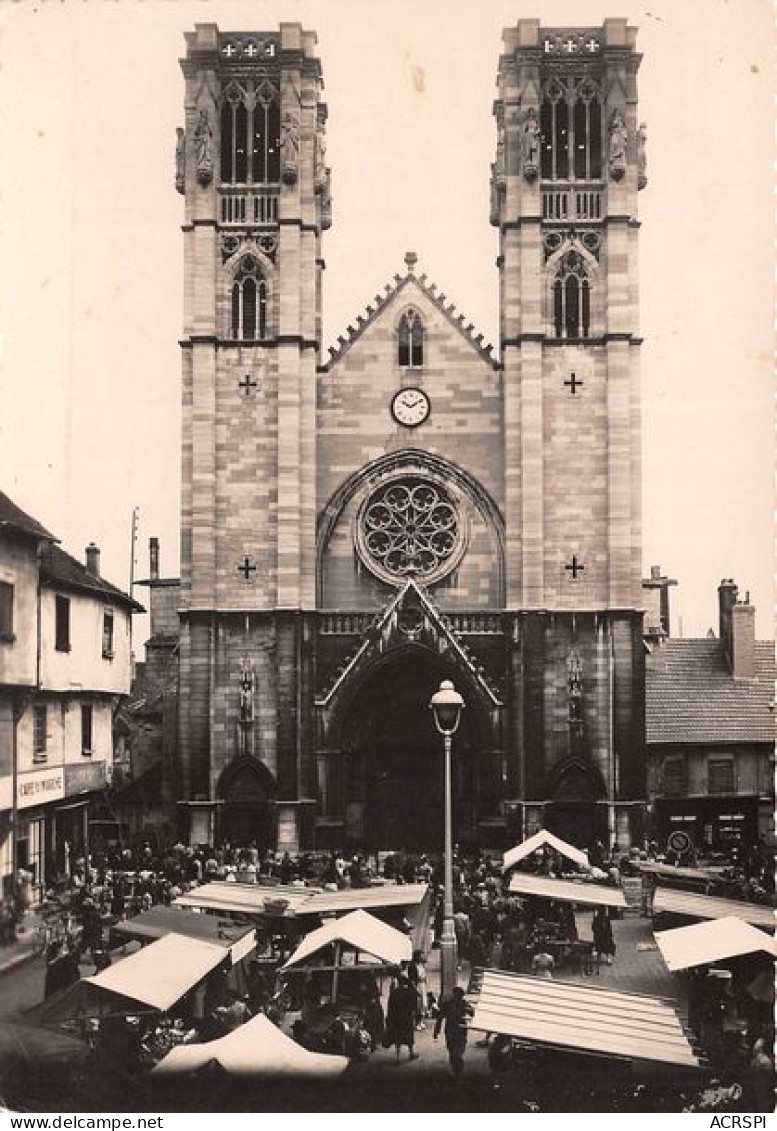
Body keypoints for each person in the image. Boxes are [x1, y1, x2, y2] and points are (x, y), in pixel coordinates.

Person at [434, 986, 474, 1076]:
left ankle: (457, 1067)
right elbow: (440, 1017)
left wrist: (436, 1031)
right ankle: (456, 1067)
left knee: (456, 1049)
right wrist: (436, 1031)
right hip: (455, 1029)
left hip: (456, 1029)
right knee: (453, 1049)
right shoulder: (455, 1004)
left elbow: (440, 1017)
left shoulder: (461, 1004)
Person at [385, 973, 419, 1063]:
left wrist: (389, 1018)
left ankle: (398, 1057)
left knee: (398, 1037)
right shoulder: (409, 992)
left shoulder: (394, 992)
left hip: (396, 1018)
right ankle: (411, 1053)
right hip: (407, 1017)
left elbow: (390, 1007)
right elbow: (414, 1004)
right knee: (409, 1035)